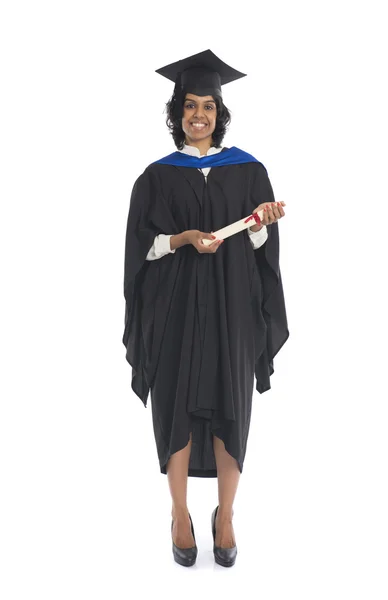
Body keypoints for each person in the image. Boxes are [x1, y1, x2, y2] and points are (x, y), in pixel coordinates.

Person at [123, 49, 289, 567]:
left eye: (209, 106)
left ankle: (225, 514)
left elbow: (262, 251)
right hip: (172, 307)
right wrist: (180, 239)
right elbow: (139, 248)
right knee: (173, 402)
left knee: (231, 405)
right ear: (177, 113)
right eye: (190, 105)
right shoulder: (155, 177)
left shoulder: (249, 172)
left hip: (232, 306)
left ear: (220, 113)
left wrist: (260, 224)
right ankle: (178, 513)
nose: (200, 115)